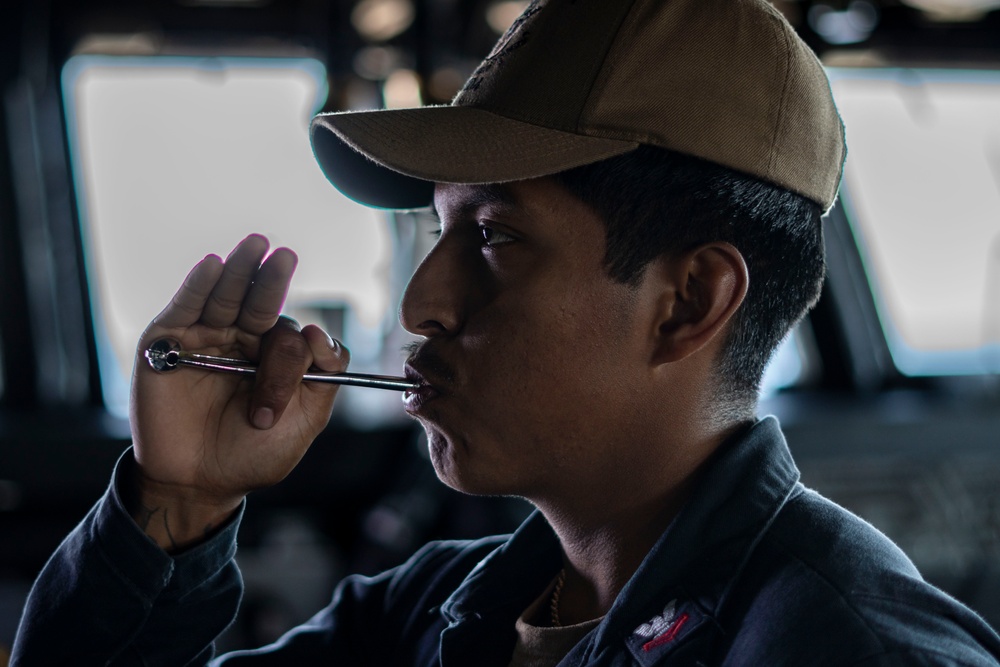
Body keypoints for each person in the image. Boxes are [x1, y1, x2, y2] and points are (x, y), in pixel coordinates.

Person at [11, 0, 1000, 664]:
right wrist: (174, 506)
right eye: (438, 229)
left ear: (688, 301)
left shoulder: (850, 645)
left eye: (493, 236)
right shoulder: (436, 611)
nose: (419, 305)